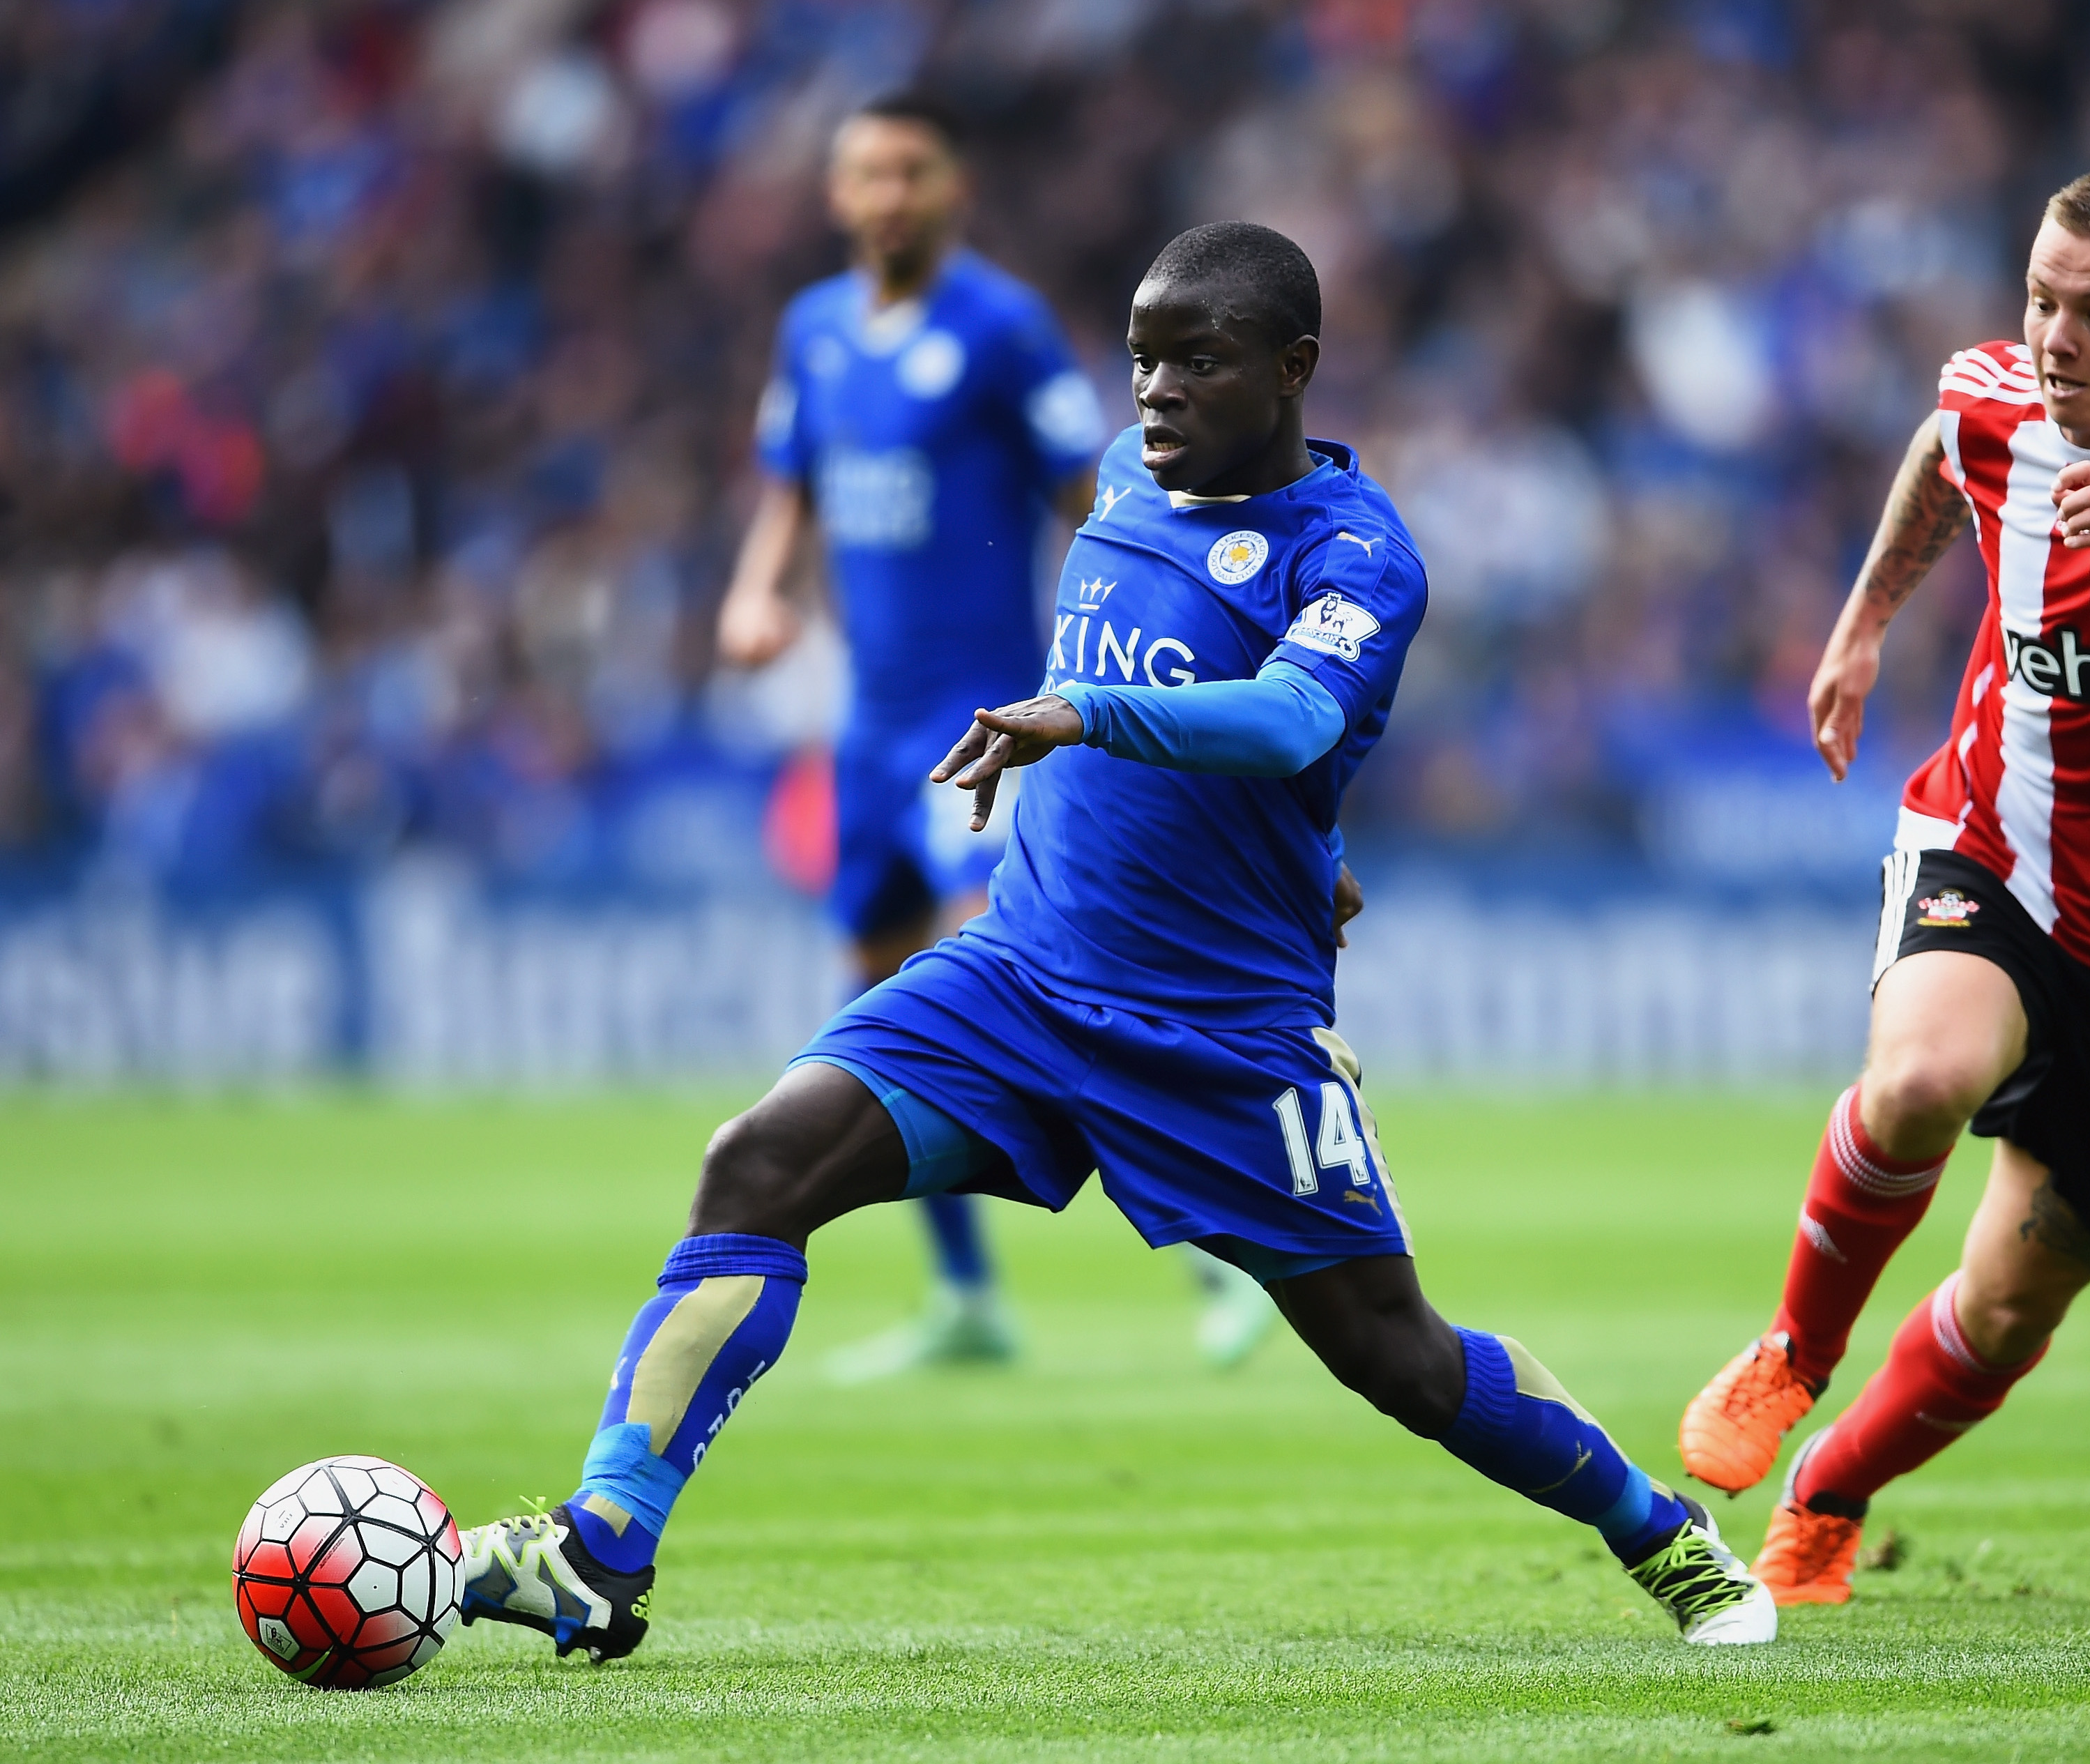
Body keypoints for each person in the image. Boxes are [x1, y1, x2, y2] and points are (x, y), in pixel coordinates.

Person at [455, 221, 1776, 1661]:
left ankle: (1660, 1532)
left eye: (1194, 361)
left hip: (1217, 1034)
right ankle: (600, 1547)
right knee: (755, 1161)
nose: (1152, 391)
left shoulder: (1356, 551)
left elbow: (1285, 717)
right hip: (1018, 977)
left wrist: (1085, 716)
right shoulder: (1126, 485)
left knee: (1395, 1355)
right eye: (1142, 356)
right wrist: (1297, 837)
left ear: (1291, 370)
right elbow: (1181, 692)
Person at [1675, 167, 2090, 1606]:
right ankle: (1792, 1350)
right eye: (2039, 298)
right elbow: (1941, 447)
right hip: (1989, 844)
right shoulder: (1995, 395)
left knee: (2004, 1301)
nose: (2054, 337)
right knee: (1919, 1076)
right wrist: (1860, 625)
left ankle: (1830, 1492)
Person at [719, 93, 1277, 1374]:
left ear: (956, 187)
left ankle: (1212, 1249)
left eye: (913, 170)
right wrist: (757, 589)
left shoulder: (1001, 329)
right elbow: (792, 486)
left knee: (1020, 980)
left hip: (979, 719)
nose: (889, 194)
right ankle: (968, 1296)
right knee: (879, 988)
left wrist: (1116, 662)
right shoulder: (813, 331)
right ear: (837, 195)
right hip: (865, 725)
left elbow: (1095, 501)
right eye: (867, 173)